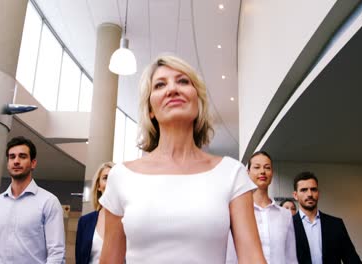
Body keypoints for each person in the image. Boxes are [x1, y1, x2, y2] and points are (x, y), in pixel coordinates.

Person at [99, 55, 266, 264]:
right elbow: (109, 261)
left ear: (197, 100)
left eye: (183, 81)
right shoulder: (121, 176)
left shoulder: (232, 173)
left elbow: (252, 258)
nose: (172, 89)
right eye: (160, 85)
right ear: (150, 110)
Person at [0, 136, 65, 264]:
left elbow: (56, 254)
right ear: (8, 163)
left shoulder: (49, 202)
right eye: (12, 157)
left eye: (22, 156)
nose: (16, 161)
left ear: (33, 163)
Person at [227, 151, 297, 263]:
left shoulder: (285, 215)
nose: (262, 171)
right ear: (248, 172)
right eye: (257, 167)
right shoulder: (237, 213)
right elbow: (230, 257)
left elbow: (291, 257)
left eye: (267, 167)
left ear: (272, 173)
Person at [292, 171, 362, 264]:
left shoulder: (336, 224)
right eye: (304, 190)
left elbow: (352, 259)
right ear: (295, 195)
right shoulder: (288, 225)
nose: (309, 194)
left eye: (313, 189)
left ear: (318, 193)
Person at [75, 162, 115, 264]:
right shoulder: (85, 222)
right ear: (98, 186)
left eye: (114, 178)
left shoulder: (128, 220)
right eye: (106, 178)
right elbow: (79, 260)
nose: (110, 181)